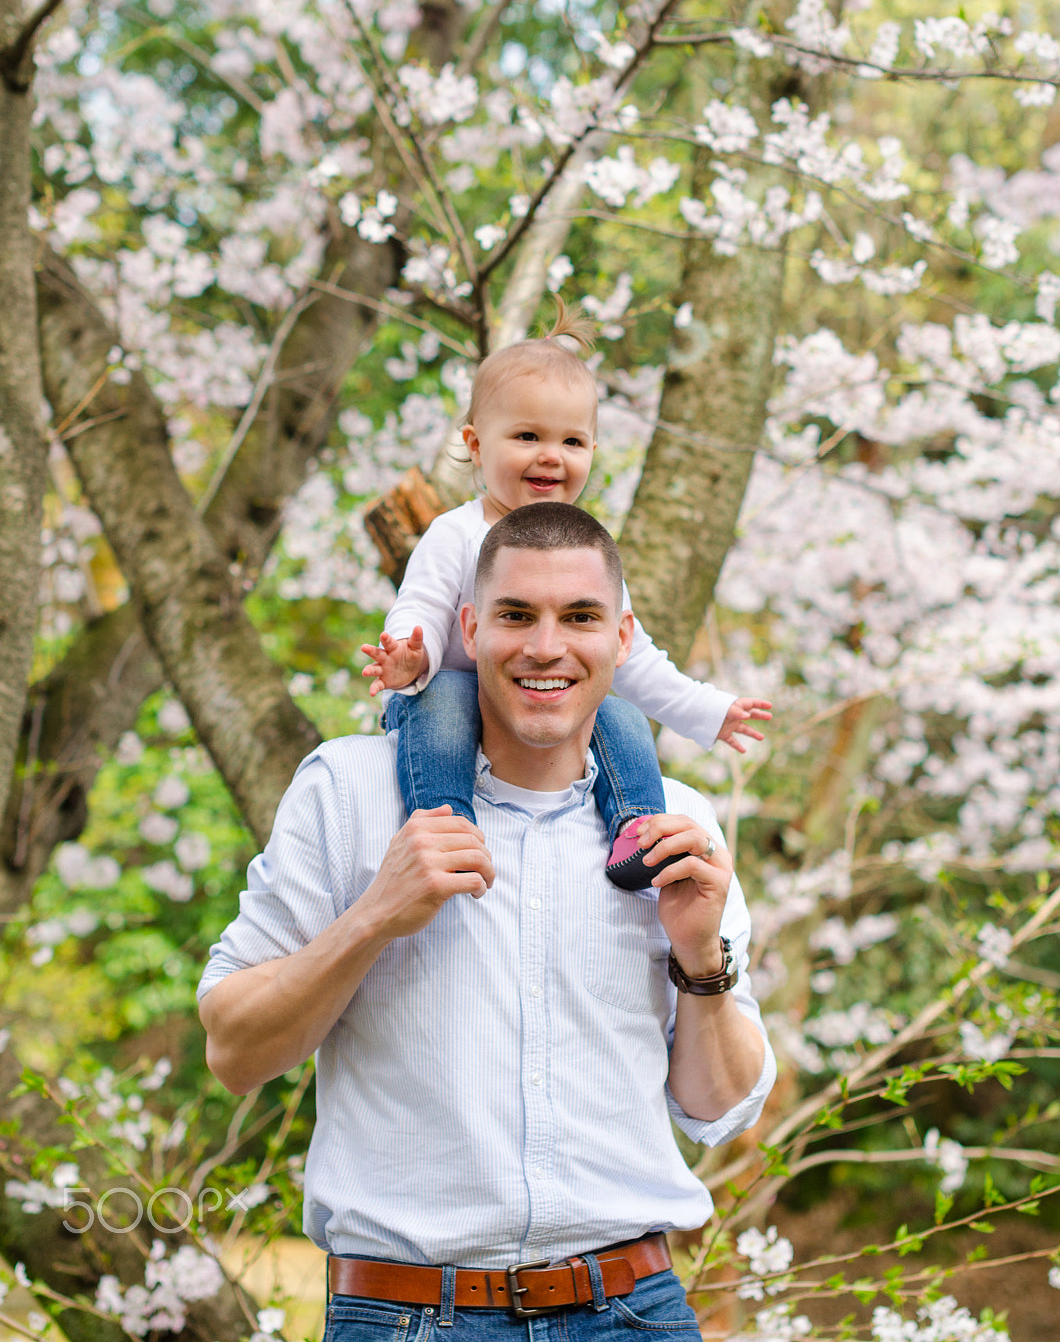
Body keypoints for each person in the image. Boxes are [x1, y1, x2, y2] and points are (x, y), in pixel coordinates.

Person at [198, 503, 776, 1342]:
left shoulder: (673, 828)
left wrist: (699, 958)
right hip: (405, 1318)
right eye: (515, 616)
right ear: (469, 628)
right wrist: (373, 917)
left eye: (580, 617)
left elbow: (717, 1109)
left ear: (623, 637)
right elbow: (235, 1052)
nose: (547, 647)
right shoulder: (351, 793)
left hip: (634, 1311)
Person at [361, 308, 771, 889]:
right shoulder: (455, 532)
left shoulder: (585, 553)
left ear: (593, 449)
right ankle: (447, 824)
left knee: (618, 709)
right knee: (452, 691)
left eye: (571, 440)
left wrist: (706, 709)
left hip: (542, 700)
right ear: (476, 445)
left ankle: (636, 829)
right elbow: (422, 607)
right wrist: (411, 655)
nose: (551, 455)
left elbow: (629, 655)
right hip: (446, 700)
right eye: (527, 436)